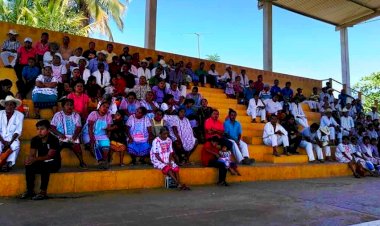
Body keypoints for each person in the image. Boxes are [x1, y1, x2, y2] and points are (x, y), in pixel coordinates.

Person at [20, 120, 61, 200]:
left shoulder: (54, 139)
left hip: (54, 163)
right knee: (29, 165)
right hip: (41, 161)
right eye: (38, 129)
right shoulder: (35, 139)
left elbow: (49, 156)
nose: (39, 131)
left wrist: (35, 159)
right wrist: (29, 159)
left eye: (42, 129)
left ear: (48, 130)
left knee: (45, 166)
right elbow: (32, 154)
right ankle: (30, 191)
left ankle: (43, 192)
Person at [50, 99, 87, 169]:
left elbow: (78, 127)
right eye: (67, 105)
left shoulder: (76, 115)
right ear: (63, 107)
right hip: (60, 137)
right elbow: (52, 127)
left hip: (72, 137)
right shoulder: (57, 115)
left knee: (77, 148)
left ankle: (82, 163)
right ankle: (54, 163)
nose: (69, 107)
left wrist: (74, 136)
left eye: (71, 105)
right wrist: (60, 134)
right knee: (56, 147)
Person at [82, 101, 113, 169]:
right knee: (93, 145)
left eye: (107, 107)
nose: (105, 108)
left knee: (106, 146)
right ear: (99, 107)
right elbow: (90, 128)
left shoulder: (108, 115)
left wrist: (108, 137)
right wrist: (92, 139)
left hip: (102, 134)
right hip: (88, 133)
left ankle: (104, 161)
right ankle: (100, 161)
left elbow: (108, 128)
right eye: (103, 106)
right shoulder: (94, 114)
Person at [0, 96, 24, 172]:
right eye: (7, 104)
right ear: (5, 105)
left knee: (16, 145)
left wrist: (10, 143)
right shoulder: (0, 114)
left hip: (12, 138)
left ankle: (8, 164)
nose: (9, 106)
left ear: (15, 106)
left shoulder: (20, 115)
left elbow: (18, 131)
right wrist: (3, 141)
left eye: (11, 104)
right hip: (0, 138)